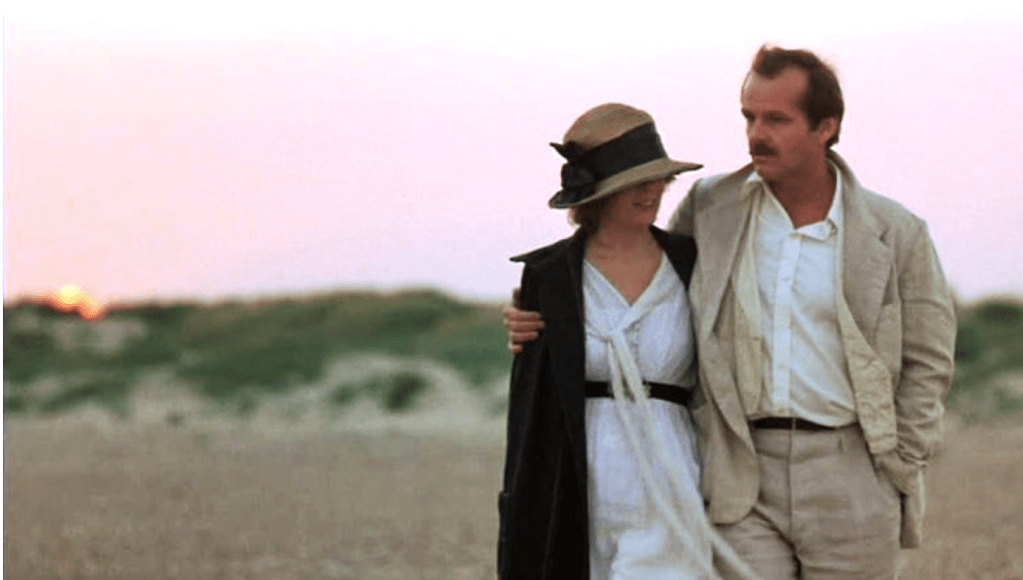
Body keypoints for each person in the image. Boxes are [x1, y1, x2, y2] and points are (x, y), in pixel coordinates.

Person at [505, 45, 957, 580]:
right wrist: (541, 310)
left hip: (851, 470)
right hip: (741, 473)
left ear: (826, 126)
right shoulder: (711, 207)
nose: (756, 134)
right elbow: (642, 273)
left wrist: (899, 463)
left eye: (777, 119)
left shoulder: (895, 231)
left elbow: (929, 358)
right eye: (749, 117)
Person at [497, 102, 721, 580]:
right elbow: (530, 412)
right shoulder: (550, 277)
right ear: (600, 191)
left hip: (671, 475)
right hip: (578, 483)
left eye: (657, 178)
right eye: (634, 181)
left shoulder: (693, 262)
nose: (651, 190)